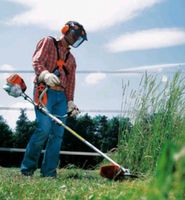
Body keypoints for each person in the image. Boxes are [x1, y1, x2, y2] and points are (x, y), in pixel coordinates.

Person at [20, 21, 87, 177]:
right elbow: (36, 61)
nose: (76, 39)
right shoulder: (48, 42)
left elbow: (71, 82)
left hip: (61, 97)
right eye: (75, 35)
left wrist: (70, 102)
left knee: (57, 135)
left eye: (79, 38)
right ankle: (27, 171)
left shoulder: (71, 58)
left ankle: (49, 173)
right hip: (44, 90)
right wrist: (45, 74)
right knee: (43, 129)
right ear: (65, 30)